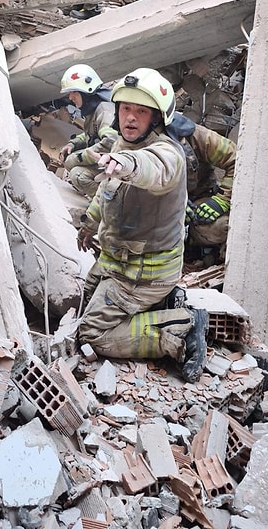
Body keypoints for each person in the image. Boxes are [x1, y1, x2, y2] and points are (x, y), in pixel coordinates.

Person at [76, 68, 209, 383]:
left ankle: (180, 329)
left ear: (157, 118)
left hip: (143, 272)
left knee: (91, 332)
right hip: (117, 261)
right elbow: (106, 190)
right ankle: (163, 304)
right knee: (84, 298)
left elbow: (153, 167)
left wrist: (126, 164)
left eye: (141, 111)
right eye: (125, 109)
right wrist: (88, 222)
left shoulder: (167, 154)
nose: (130, 118)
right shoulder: (123, 145)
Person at [167, 112, 236, 265]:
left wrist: (221, 200)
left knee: (223, 227)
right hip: (156, 210)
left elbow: (237, 159)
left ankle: (195, 242)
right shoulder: (128, 141)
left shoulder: (197, 136)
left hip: (198, 201)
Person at [59, 64, 118, 198]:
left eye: (74, 92)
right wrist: (72, 144)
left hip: (118, 168)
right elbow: (91, 134)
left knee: (77, 174)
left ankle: (111, 201)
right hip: (107, 164)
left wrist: (79, 157)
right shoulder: (94, 110)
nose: (70, 97)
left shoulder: (104, 110)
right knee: (73, 168)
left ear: (86, 91)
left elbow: (111, 142)